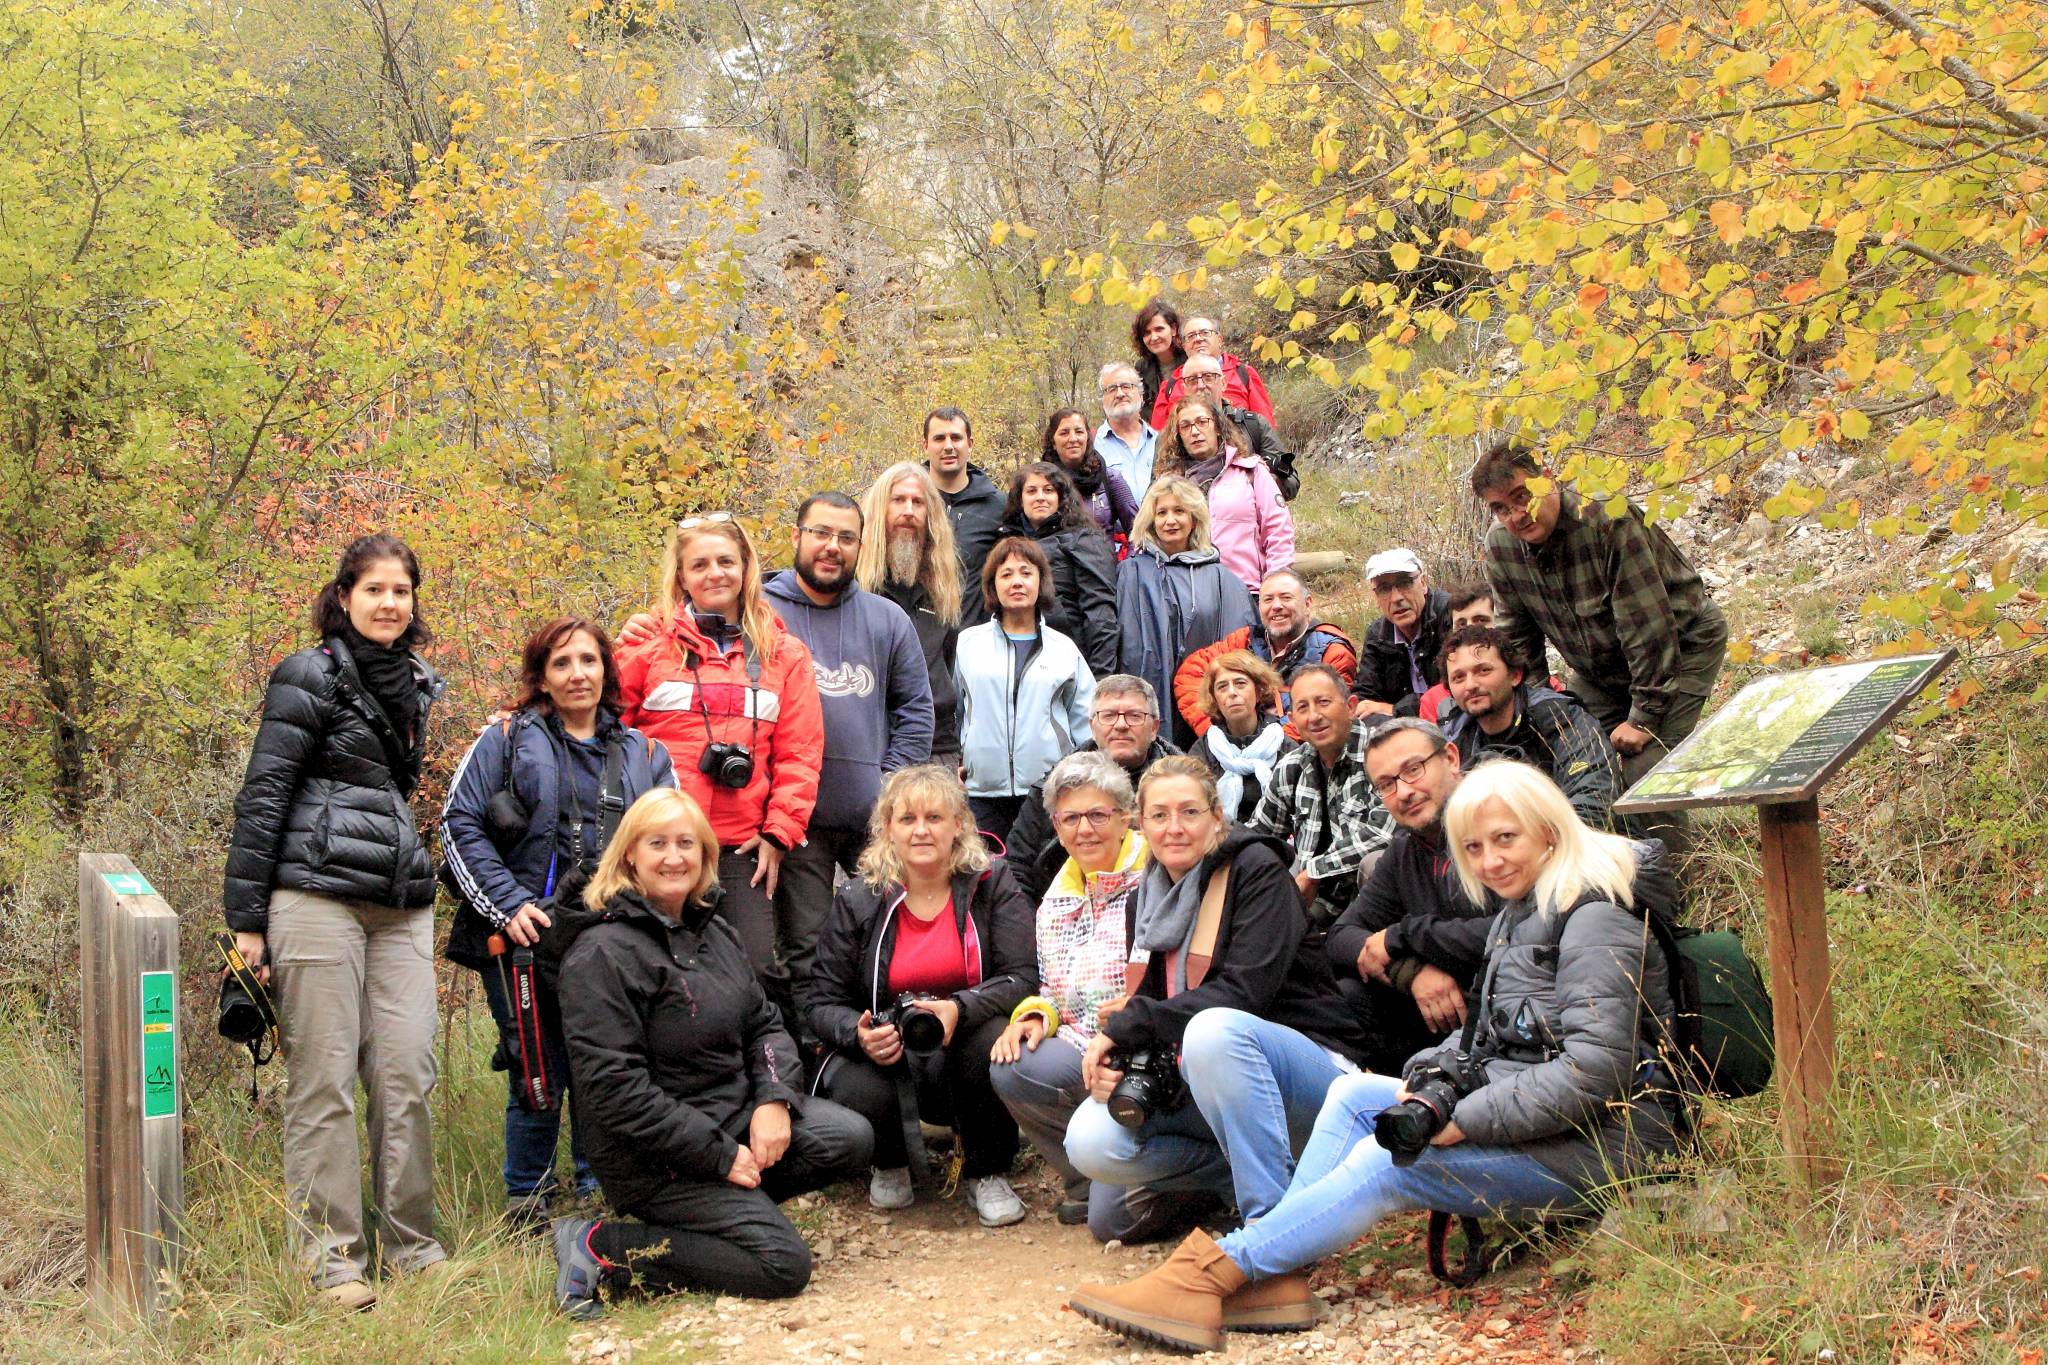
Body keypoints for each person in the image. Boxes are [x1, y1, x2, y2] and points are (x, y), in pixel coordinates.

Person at [1067, 761, 1683, 1354]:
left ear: (1549, 831)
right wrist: (1431, 1081)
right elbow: (1484, 1041)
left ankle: (1211, 1276)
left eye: (1505, 839)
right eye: (1473, 848)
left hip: (1610, 1141)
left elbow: (1592, 1071)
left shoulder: (1596, 918)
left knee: (1389, 1163)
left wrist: (1468, 1118)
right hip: (1540, 1119)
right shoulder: (1522, 913)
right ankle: (1273, 1277)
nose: (1490, 861)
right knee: (1356, 1094)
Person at [221, 534, 448, 1309]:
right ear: (344, 595)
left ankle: (414, 1246)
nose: (390, 603)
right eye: (375, 588)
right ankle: (331, 1262)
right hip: (313, 896)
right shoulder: (308, 673)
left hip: (398, 900)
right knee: (323, 1083)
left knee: (408, 1072)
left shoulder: (414, 681)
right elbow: (264, 795)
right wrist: (246, 924)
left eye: (402, 591)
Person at [549, 789, 874, 1317]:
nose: (674, 857)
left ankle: (726, 1217)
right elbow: (616, 1091)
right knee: (781, 1265)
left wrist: (773, 1100)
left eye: (687, 844)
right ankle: (597, 1246)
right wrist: (720, 1155)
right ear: (630, 853)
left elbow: (765, 1024)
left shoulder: (712, 929)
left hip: (730, 1118)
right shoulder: (601, 953)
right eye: (657, 843)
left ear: (705, 855)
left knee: (849, 1137)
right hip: (657, 1159)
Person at [1063, 757, 1370, 1255]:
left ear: (1216, 818)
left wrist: (1128, 1025)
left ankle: (1272, 1238)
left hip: (1309, 1073)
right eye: (1159, 815)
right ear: (1140, 823)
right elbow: (1154, 1003)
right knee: (1092, 1145)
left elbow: (1243, 995)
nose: (1175, 828)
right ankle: (1260, 1174)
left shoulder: (1257, 871)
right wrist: (1117, 1063)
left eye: (1189, 812)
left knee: (1214, 1030)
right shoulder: (1147, 898)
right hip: (1206, 1080)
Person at [441, 617, 679, 1228]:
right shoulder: (504, 738)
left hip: (609, 940)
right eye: (562, 663)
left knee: (610, 1064)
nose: (578, 674)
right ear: (542, 677)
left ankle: (599, 1194)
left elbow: (670, 841)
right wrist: (508, 903)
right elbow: (458, 825)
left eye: (589, 661)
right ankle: (528, 1205)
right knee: (536, 1068)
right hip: (521, 936)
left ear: (607, 669)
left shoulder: (646, 754)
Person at [806, 766, 1037, 1227]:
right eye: (907, 819)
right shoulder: (858, 897)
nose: (921, 830)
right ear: (887, 829)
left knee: (994, 1038)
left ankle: (986, 1170)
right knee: (854, 1078)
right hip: (890, 1052)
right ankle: (889, 1161)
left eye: (935, 817)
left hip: (963, 1044)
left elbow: (1023, 976)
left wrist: (959, 1007)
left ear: (959, 825)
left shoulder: (993, 884)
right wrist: (858, 1032)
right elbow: (818, 1000)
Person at [1473, 438, 1728, 850]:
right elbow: (1517, 636)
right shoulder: (1501, 546)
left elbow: (1647, 627)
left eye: (1522, 497)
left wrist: (1643, 716)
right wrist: (1537, 710)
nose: (1516, 515)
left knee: (1643, 768)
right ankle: (1606, 866)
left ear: (1548, 479)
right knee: (1574, 759)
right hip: (1597, 665)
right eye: (1501, 508)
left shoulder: (1608, 519)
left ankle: (1673, 879)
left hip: (1680, 647)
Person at [615, 513, 825, 987]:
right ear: (682, 576)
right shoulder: (649, 647)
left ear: (746, 568)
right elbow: (591, 721)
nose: (715, 574)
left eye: (726, 561)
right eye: (700, 564)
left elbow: (800, 753)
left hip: (740, 849)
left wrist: (780, 832)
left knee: (752, 975)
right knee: (660, 977)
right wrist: (519, 715)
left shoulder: (783, 654)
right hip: (658, 846)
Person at [764, 491, 936, 1011]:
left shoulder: (886, 619)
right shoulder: (760, 613)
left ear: (862, 546)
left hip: (874, 819)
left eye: (845, 537)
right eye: (820, 533)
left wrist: (889, 787)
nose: (831, 547)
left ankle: (882, 1045)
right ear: (796, 537)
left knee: (885, 938)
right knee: (807, 948)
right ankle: (816, 1056)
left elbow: (915, 709)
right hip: (795, 821)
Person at [987, 752, 1170, 1235]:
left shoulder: (1158, 871)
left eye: (1097, 814)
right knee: (1013, 1062)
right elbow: (1051, 985)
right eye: (1071, 817)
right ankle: (1085, 1175)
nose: (1084, 829)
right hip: (1085, 1046)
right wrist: (1036, 1016)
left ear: (1124, 816)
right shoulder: (1057, 894)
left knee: (1117, 1223)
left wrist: (1137, 1016)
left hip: (1151, 1046)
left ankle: (1179, 1175)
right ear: (1055, 825)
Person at [954, 536, 1097, 843]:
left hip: (1049, 792)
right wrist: (959, 758)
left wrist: (1080, 777)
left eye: (1025, 572)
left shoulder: (1063, 648)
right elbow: (955, 710)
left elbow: (1087, 720)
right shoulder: (968, 643)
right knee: (986, 880)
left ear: (1040, 582)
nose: (1016, 582)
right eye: (1006, 574)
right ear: (993, 586)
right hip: (982, 793)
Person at [1004, 674, 1184, 905]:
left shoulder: (1185, 786)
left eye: (1134, 716)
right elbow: (1017, 866)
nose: (1121, 725)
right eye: (1108, 716)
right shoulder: (1055, 786)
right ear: (1092, 726)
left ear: (1154, 727)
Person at [1247, 665, 1394, 924]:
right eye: (1303, 708)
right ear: (1292, 719)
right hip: (1314, 904)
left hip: (1374, 903)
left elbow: (1384, 835)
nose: (1314, 716)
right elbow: (1260, 834)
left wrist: (1313, 873)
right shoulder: (1292, 766)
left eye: (1323, 702)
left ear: (1350, 706)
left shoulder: (1383, 754)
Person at [1116, 477, 1256, 749]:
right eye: (1162, 512)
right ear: (1150, 520)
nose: (1170, 520)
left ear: (1194, 518)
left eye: (1179, 511)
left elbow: (1240, 641)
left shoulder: (1220, 578)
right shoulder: (1131, 573)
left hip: (1200, 693)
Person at [1440, 624, 1622, 829]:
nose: (1470, 685)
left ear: (1515, 675)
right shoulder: (1454, 741)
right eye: (1458, 677)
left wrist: (1532, 850)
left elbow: (1594, 800)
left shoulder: (1559, 716)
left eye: (1483, 670)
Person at [858, 462, 966, 772]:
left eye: (918, 502)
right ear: (881, 508)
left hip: (938, 744)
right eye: (899, 500)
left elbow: (949, 660)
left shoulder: (946, 581)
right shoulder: (856, 582)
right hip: (873, 741)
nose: (909, 511)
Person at [1173, 570, 1358, 738]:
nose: (1276, 606)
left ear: (1307, 604)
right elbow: (1190, 673)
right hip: (1237, 746)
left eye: (1286, 598)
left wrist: (1273, 748)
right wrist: (1214, 733)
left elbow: (1329, 713)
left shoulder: (1332, 650)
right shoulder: (1245, 640)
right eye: (1268, 600)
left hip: (1299, 755)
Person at [1155, 391, 1294, 591]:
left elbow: (1278, 530)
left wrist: (1276, 582)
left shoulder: (1251, 472)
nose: (1195, 431)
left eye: (1202, 422)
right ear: (1178, 435)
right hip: (1190, 595)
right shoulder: (1170, 485)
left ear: (1218, 427)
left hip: (1247, 589)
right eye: (1185, 426)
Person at [998, 461, 1121, 676]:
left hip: (1071, 659)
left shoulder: (1084, 540)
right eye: (1031, 491)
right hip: (1015, 659)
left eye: (1048, 490)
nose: (1040, 497)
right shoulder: (1006, 544)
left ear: (1061, 497)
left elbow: (1100, 614)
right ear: (1020, 499)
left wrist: (1100, 678)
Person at [1178, 353, 1299, 500]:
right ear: (1184, 388)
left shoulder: (1252, 425)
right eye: (1192, 380)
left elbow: (1291, 481)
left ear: (1223, 383)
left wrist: (1262, 480)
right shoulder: (1175, 433)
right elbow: (1158, 487)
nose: (1201, 385)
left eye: (1208, 377)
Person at [1351, 547, 1453, 719]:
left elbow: (1455, 689)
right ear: (1376, 598)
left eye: (1405, 583)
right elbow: (1365, 696)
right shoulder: (1378, 635)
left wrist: (1395, 710)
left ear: (1423, 583)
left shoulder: (1450, 615)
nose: (1396, 598)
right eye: (1384, 589)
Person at [1193, 651, 1290, 822]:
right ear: (1214, 698)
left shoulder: (1283, 746)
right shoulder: (1203, 751)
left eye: (1240, 683)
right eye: (1222, 687)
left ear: (1259, 691)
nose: (1232, 693)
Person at [924, 406, 1006, 602]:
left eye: (956, 437)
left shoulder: (999, 506)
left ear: (969, 444)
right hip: (914, 629)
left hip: (974, 628)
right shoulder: (907, 501)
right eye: (939, 438)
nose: (949, 446)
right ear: (925, 445)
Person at [1149, 315, 1274, 430]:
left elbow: (1266, 425)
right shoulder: (1170, 385)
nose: (1198, 339)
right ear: (1184, 346)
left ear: (1219, 340)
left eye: (1205, 333)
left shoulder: (1244, 373)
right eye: (1191, 336)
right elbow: (1159, 437)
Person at [1046, 405, 1137, 541]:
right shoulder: (1041, 482)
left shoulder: (1110, 479)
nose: (1073, 438)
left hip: (1102, 560)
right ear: (1053, 441)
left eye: (1079, 432)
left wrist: (1129, 562)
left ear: (1087, 437)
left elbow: (1137, 531)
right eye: (1064, 433)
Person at [1415, 585, 1497, 724]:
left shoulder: (1532, 682)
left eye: (1481, 620)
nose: (1470, 630)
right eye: (1461, 624)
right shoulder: (1434, 700)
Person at [1094, 362, 1159, 507]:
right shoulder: (1092, 447)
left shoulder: (1162, 442)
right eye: (1111, 389)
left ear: (1141, 396)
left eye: (1126, 386)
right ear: (1102, 400)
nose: (1120, 394)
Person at [1130, 300, 1187, 418]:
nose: (1154, 337)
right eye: (1147, 333)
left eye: (1159, 329)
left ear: (1173, 329)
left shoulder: (1191, 362)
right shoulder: (1141, 369)